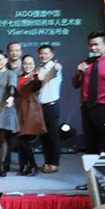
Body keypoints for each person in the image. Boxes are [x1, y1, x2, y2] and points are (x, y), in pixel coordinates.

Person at [72, 31, 105, 155]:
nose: (93, 48)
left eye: (96, 44)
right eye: (91, 45)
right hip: (87, 108)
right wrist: (78, 72)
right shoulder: (85, 63)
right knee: (90, 143)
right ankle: (93, 168)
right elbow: (76, 85)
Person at [15, 55, 46, 177]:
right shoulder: (18, 77)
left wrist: (39, 78)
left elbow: (38, 85)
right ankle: (26, 166)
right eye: (25, 63)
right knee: (20, 140)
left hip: (30, 110)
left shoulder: (35, 77)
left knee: (23, 140)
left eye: (30, 63)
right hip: (18, 110)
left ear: (34, 65)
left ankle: (32, 165)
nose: (27, 66)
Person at [36, 45, 63, 173]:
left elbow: (52, 73)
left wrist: (55, 68)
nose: (43, 56)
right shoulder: (38, 69)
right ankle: (47, 162)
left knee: (52, 135)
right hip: (40, 107)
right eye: (41, 54)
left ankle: (54, 163)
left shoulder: (54, 67)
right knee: (44, 137)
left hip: (51, 106)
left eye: (46, 53)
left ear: (52, 55)